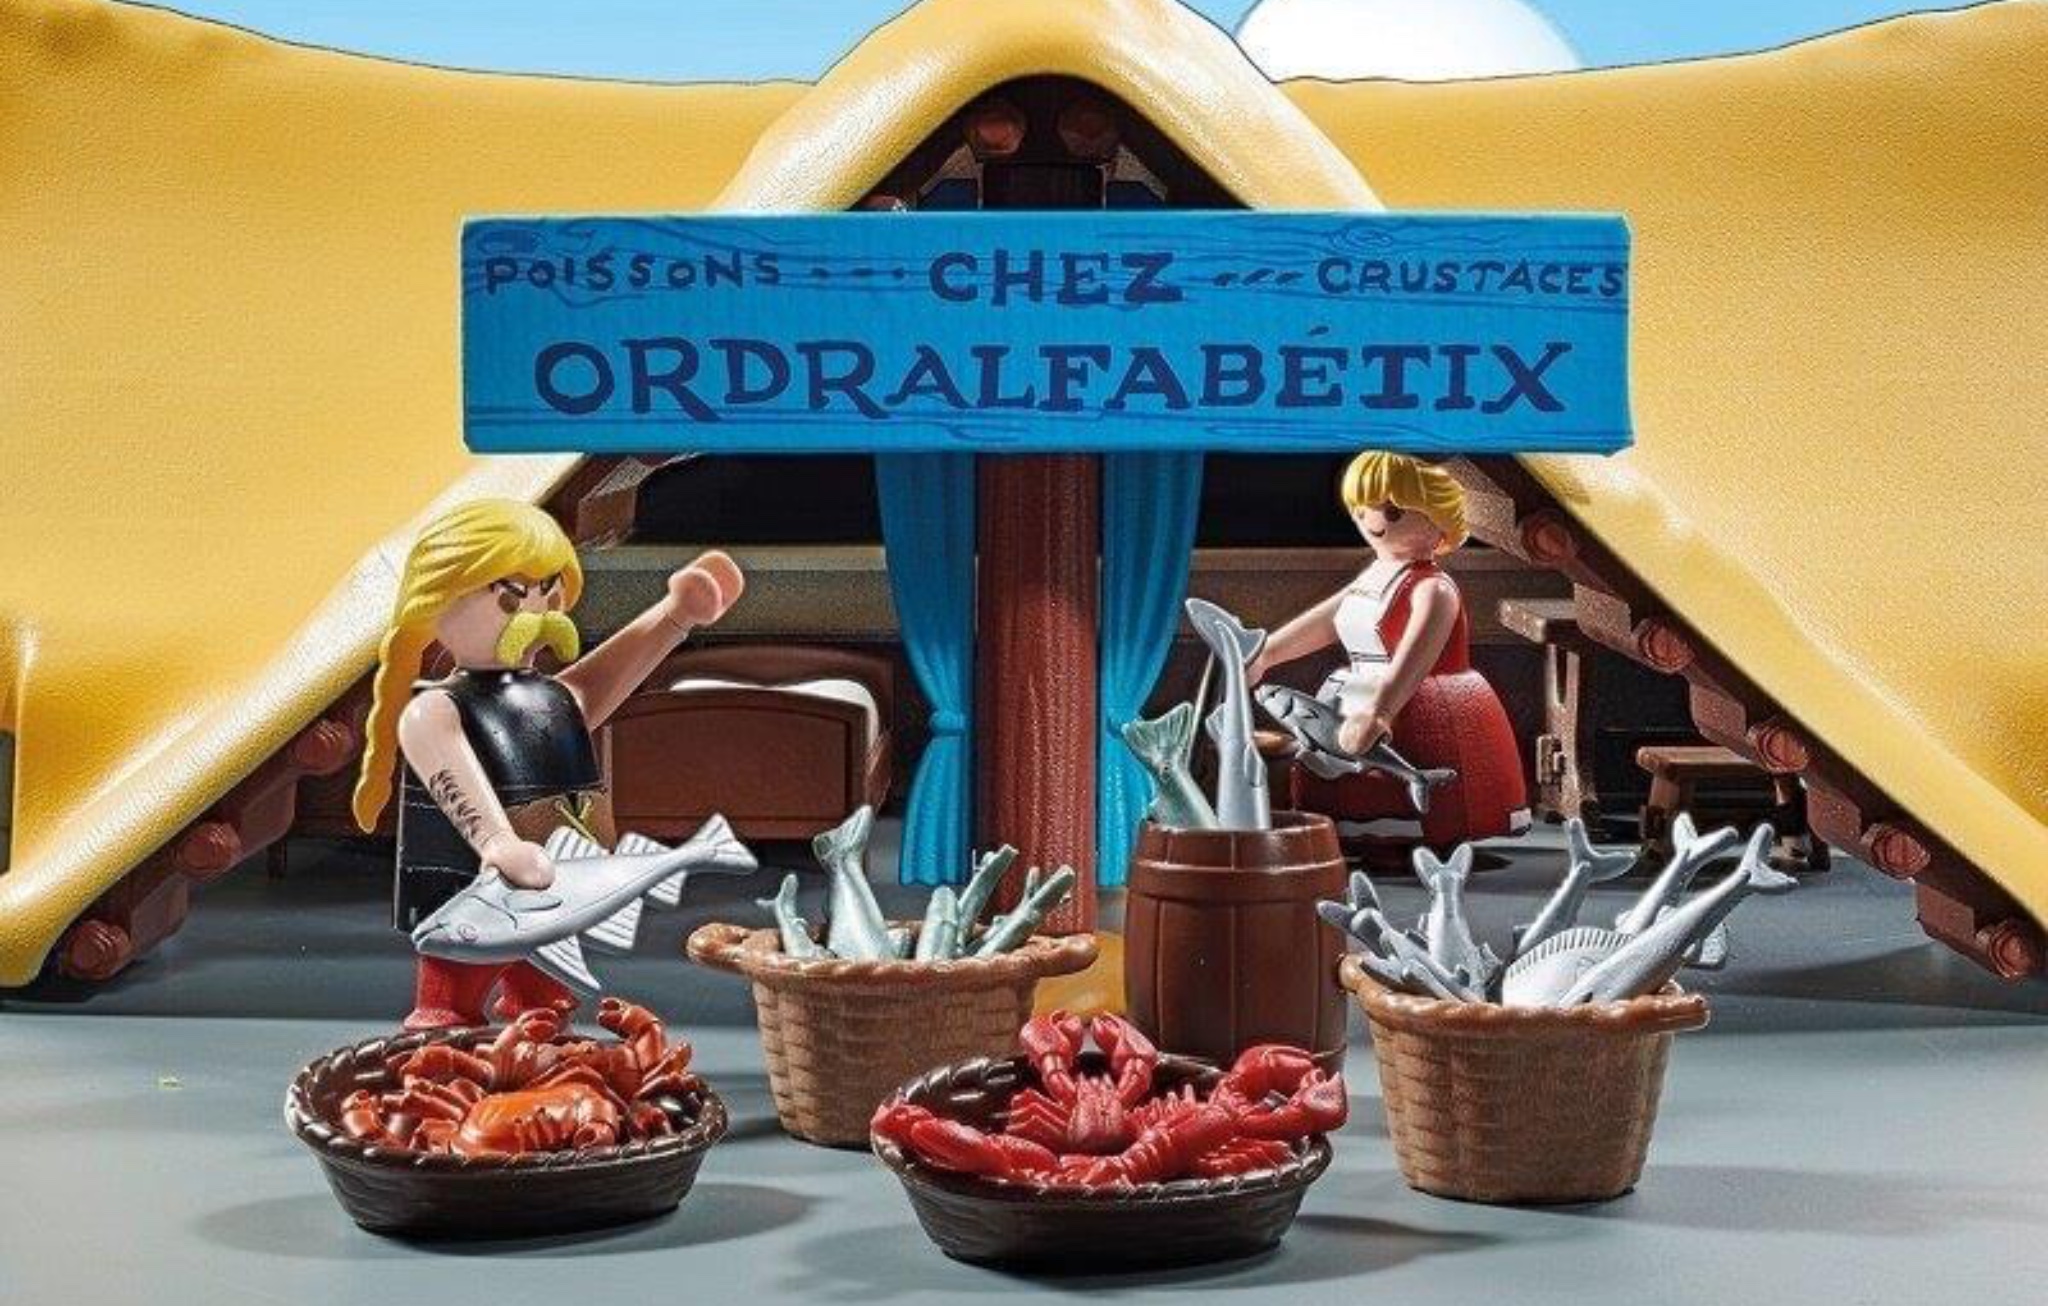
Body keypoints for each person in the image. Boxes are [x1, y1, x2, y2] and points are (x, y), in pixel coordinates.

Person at [352, 499, 741, 1029]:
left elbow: (603, 678)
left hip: (555, 891)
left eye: (549, 594)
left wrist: (676, 617)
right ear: (437, 602)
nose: (538, 615)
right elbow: (452, 780)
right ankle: (445, 1055)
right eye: (511, 598)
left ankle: (543, 1054)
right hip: (472, 895)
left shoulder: (551, 696)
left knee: (544, 1007)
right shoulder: (435, 709)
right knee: (448, 1002)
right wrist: (497, 843)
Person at [1250, 451, 1528, 848]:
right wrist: (1268, 653)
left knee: (1422, 801)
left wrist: (1381, 711)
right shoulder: (1376, 575)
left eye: (1393, 512)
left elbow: (1416, 658)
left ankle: (1422, 835)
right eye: (1361, 509)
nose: (1372, 520)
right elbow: (1329, 619)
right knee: (1336, 774)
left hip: (1417, 700)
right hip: (1355, 689)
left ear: (1437, 520)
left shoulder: (1434, 590)